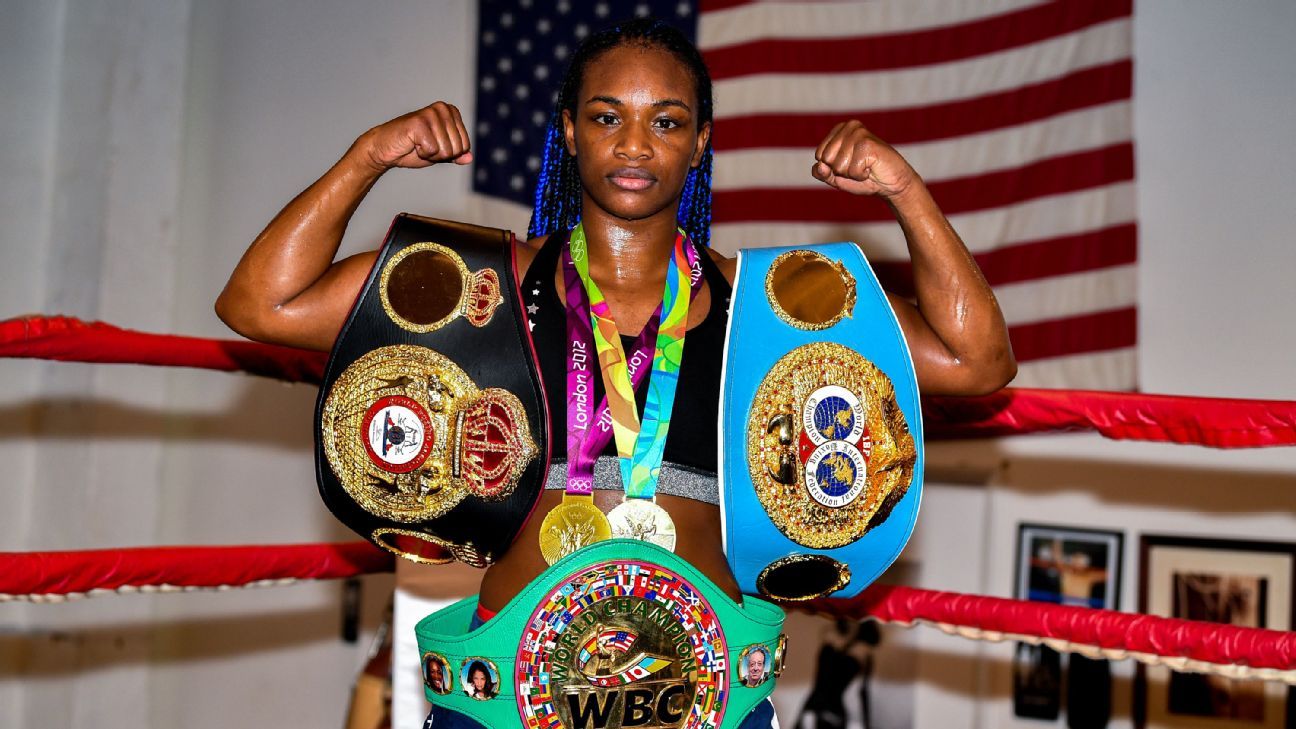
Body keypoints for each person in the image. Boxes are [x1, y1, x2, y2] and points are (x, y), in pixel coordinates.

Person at [216, 18, 1014, 728]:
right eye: (607, 117)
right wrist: (368, 158)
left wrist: (906, 192)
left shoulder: (764, 309)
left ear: (699, 141)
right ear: (568, 130)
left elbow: (977, 361)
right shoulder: (487, 288)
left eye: (666, 121)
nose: (635, 145)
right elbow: (260, 302)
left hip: (709, 701)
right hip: (507, 700)